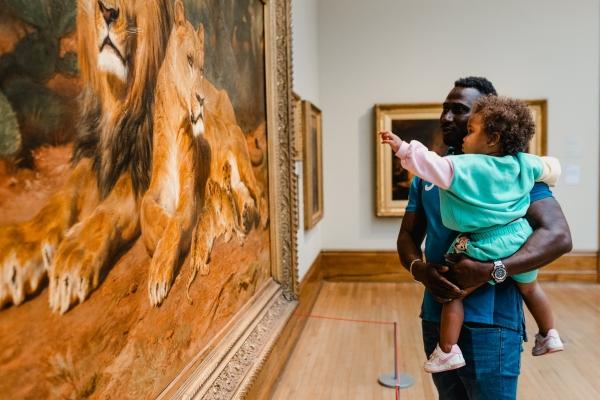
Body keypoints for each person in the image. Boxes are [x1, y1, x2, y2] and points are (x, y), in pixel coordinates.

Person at [396, 77, 572, 399]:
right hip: (437, 314)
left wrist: (494, 269)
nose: (446, 118)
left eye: (459, 110)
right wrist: (418, 270)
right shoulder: (433, 172)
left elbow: (558, 236)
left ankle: (549, 333)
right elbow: (407, 235)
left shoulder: (513, 174)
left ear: (489, 122)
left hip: (493, 325)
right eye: (444, 109)